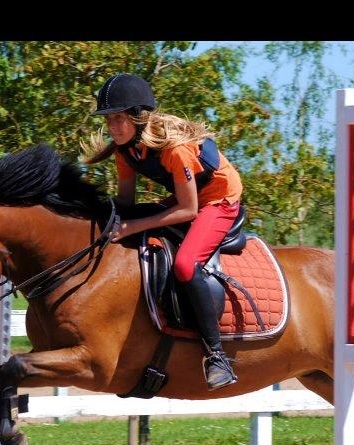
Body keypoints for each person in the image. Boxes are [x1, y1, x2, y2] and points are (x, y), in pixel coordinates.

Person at [82, 73, 243, 390]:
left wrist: (133, 225)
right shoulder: (125, 151)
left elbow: (189, 210)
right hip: (188, 198)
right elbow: (125, 202)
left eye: (118, 119)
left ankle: (217, 357)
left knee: (184, 265)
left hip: (219, 200)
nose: (112, 127)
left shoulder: (175, 149)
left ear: (137, 116)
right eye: (108, 120)